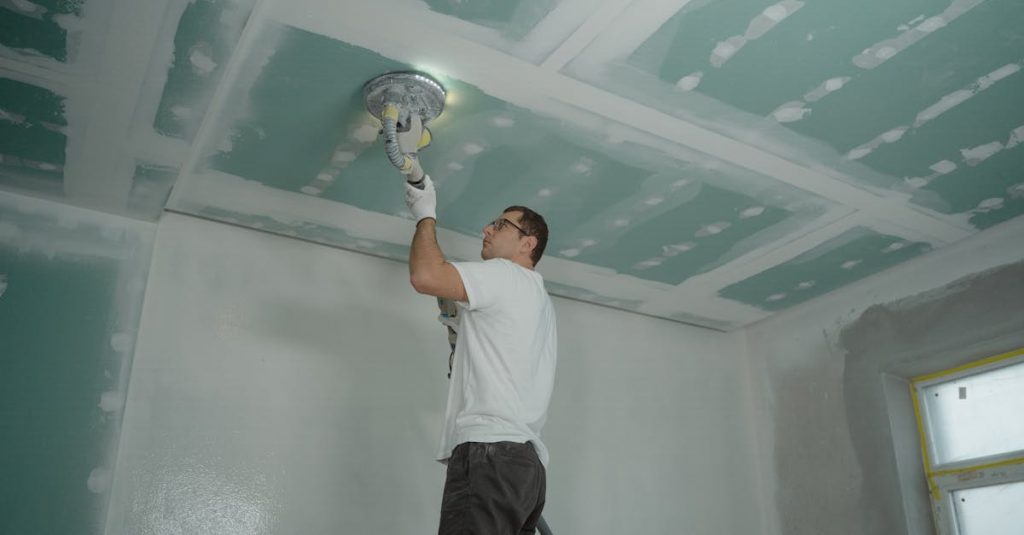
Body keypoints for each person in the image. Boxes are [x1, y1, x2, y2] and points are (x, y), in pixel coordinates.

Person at [404, 175, 558, 535]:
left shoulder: (505, 275)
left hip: (492, 454)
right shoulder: (539, 300)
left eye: (501, 225)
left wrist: (425, 213)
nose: (487, 229)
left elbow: (426, 275)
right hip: (526, 468)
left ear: (528, 243)